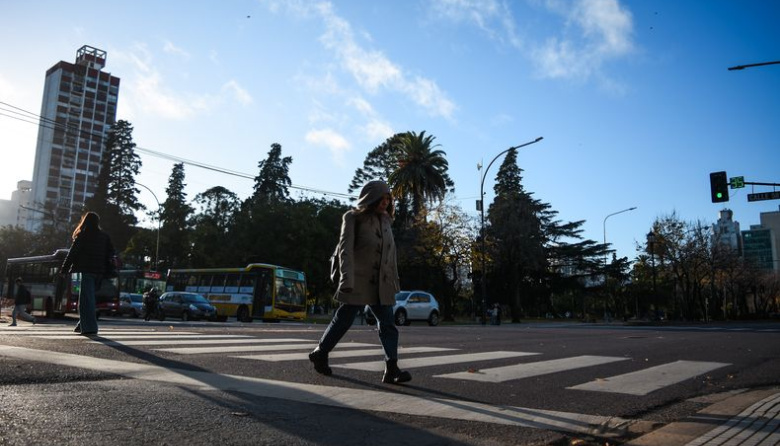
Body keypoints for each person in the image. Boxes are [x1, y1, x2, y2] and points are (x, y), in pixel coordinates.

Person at [309, 180, 411, 384]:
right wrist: (346, 278)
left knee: (388, 324)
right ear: (370, 197)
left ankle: (392, 368)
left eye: (388, 198)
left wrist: (394, 282)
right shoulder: (353, 217)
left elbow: (391, 256)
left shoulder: (386, 221)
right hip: (357, 280)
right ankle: (321, 351)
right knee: (344, 319)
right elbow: (345, 250)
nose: (385, 202)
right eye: (381, 198)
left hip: (381, 284)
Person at [60, 212, 115, 336]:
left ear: (85, 221)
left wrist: (64, 269)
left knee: (86, 300)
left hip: (87, 271)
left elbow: (72, 253)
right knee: (89, 299)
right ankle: (81, 324)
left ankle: (90, 327)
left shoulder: (83, 235)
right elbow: (111, 252)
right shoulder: (104, 237)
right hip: (100, 273)